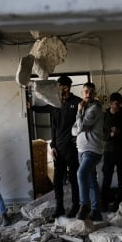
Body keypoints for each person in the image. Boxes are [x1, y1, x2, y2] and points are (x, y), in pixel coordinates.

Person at [30, 75, 82, 218]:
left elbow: (85, 122)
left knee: (73, 178)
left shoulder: (77, 103)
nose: (59, 90)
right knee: (57, 180)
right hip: (57, 149)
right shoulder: (55, 104)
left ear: (66, 87)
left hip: (72, 149)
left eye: (61, 87)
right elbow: (53, 127)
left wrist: (79, 137)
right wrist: (52, 146)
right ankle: (59, 207)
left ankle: (75, 206)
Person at [71, 82, 105, 221]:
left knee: (81, 173)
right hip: (81, 149)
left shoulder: (95, 109)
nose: (88, 94)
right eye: (86, 91)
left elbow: (80, 127)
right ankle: (96, 212)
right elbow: (74, 130)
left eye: (91, 92)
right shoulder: (85, 109)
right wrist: (81, 126)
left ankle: (84, 205)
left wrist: (79, 113)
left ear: (95, 94)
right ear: (82, 93)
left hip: (92, 149)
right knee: (91, 180)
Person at [101, 92, 122, 210]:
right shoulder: (104, 117)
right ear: (110, 103)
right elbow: (100, 134)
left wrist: (120, 131)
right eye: (117, 103)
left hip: (121, 149)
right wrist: (110, 134)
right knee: (107, 176)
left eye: (120, 103)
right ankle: (104, 203)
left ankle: (118, 203)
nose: (119, 105)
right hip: (109, 151)